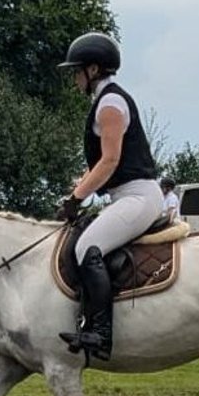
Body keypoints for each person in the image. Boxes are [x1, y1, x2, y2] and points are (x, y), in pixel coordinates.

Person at [54, 31, 162, 361]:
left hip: (138, 196)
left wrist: (77, 197)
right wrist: (79, 188)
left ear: (94, 70)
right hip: (126, 195)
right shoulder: (105, 100)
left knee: (88, 247)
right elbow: (105, 164)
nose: (74, 78)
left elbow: (111, 160)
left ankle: (99, 332)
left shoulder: (111, 104)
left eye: (77, 71)